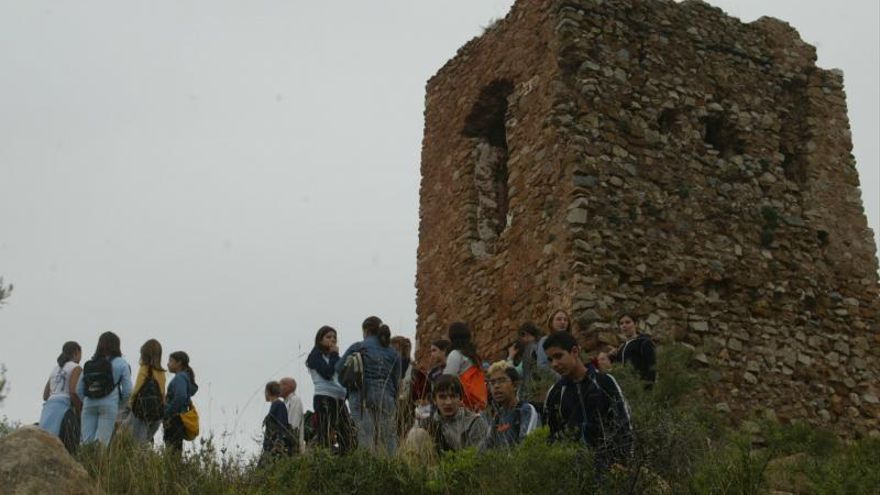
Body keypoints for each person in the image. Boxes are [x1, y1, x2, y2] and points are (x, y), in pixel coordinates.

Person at [543, 331, 633, 471]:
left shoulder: (604, 382)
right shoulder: (555, 394)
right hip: (573, 475)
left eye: (558, 356)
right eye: (550, 360)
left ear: (574, 351)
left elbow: (623, 423)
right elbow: (551, 435)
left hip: (612, 470)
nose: (554, 364)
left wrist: (624, 462)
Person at [337, 316, 401, 455]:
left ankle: (369, 470)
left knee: (366, 437)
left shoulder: (358, 347)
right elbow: (397, 380)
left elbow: (339, 368)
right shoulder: (393, 352)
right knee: (389, 437)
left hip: (361, 396)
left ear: (365, 331)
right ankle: (394, 469)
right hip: (386, 395)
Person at [77, 331, 132, 446]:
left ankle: (84, 463)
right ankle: (97, 464)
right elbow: (128, 391)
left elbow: (79, 389)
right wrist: (119, 405)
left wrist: (87, 400)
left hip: (89, 404)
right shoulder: (121, 363)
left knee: (86, 442)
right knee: (101, 443)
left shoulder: (91, 363)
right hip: (109, 404)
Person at [306, 325, 353, 454]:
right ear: (320, 340)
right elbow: (327, 373)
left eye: (334, 337)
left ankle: (346, 460)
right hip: (324, 397)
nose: (332, 340)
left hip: (340, 399)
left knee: (346, 433)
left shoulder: (334, 357)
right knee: (325, 432)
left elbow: (341, 376)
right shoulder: (314, 356)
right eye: (328, 337)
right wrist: (333, 354)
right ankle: (323, 460)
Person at [419, 374, 489, 453]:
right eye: (442, 397)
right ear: (434, 400)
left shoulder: (474, 422)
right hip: (433, 464)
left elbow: (478, 457)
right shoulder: (427, 424)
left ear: (461, 399)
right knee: (417, 434)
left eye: (453, 396)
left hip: (465, 464)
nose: (448, 402)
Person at [481, 361, 540, 450]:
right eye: (492, 383)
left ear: (515, 385)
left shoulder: (525, 410)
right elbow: (485, 450)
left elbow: (527, 446)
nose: (496, 386)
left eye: (502, 381)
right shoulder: (497, 418)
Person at [39, 341, 83, 452]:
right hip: (63, 408)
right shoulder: (76, 367)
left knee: (45, 441)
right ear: (76, 352)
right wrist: (80, 410)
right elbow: (73, 392)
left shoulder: (55, 369)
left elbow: (45, 395)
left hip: (48, 407)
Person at [127, 339, 166, 443]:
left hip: (142, 410)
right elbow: (162, 394)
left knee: (137, 442)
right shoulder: (162, 373)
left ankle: (138, 459)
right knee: (146, 442)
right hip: (156, 413)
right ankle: (146, 458)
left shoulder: (144, 369)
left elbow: (137, 389)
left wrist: (130, 403)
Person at [443, 322, 487, 411]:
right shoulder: (473, 357)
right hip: (477, 403)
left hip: (464, 405)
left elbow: (446, 380)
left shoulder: (455, 354)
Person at [163, 351, 198, 451]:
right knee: (175, 449)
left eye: (170, 361)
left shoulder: (180, 377)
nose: (168, 364)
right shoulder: (184, 377)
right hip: (179, 419)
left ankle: (172, 466)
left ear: (179, 363)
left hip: (174, 419)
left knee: (171, 449)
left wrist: (167, 413)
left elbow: (181, 397)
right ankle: (175, 466)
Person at [609, 313, 657, 385]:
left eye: (627, 322)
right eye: (621, 323)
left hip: (640, 388)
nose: (624, 326)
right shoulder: (622, 348)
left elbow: (651, 367)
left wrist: (647, 387)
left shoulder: (644, 342)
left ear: (636, 324)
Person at [506, 322, 542, 401]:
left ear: (526, 334)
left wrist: (510, 356)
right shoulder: (537, 347)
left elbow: (514, 373)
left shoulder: (532, 350)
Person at [261, 381, 293, 462]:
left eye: (265, 391)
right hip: (270, 447)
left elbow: (282, 425)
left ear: (269, 392)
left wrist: (278, 443)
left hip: (275, 447)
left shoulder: (279, 405)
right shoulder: (275, 405)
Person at [280, 376, 304, 454]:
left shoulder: (294, 400)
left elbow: (293, 425)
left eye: (281, 385)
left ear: (289, 387)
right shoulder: (285, 403)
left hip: (291, 447)